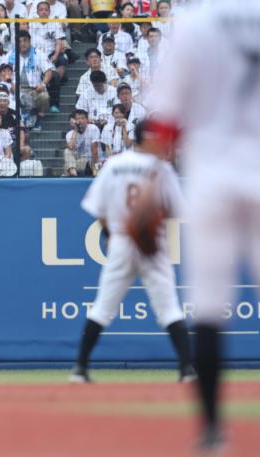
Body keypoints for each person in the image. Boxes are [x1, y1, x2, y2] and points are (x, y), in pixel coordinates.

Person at [137, 0, 260, 450]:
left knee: (208, 311)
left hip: (211, 178)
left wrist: (149, 190)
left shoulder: (193, 22)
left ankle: (211, 431)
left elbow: (165, 120)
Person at [69, 120, 195, 385]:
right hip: (152, 243)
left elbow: (98, 209)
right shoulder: (161, 168)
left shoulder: (114, 164)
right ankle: (186, 370)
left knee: (103, 306)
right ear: (148, 139)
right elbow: (175, 211)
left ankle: (80, 369)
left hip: (122, 241)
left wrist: (110, 235)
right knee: (169, 307)